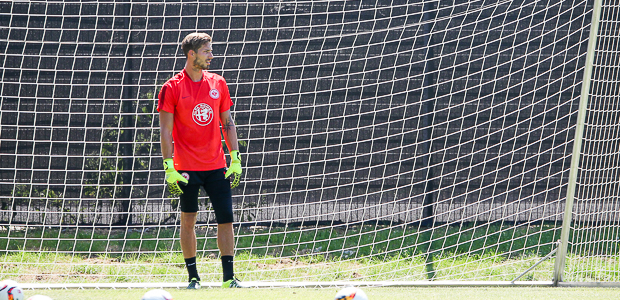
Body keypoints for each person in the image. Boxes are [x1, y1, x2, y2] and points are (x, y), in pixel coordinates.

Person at [157, 32, 242, 289]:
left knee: (226, 218)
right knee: (188, 219)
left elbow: (227, 123)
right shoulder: (171, 87)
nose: (211, 56)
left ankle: (229, 278)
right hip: (185, 168)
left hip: (216, 165)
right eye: (207, 51)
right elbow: (164, 131)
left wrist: (235, 158)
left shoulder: (218, 83)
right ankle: (193, 277)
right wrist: (169, 167)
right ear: (191, 54)